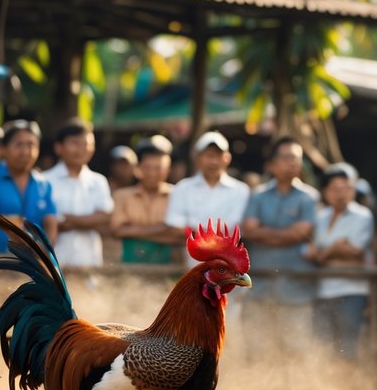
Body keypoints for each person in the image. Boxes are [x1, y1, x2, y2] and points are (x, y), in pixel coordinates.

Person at [240, 137, 318, 362]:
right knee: (258, 351)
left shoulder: (309, 197)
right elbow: (250, 231)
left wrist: (266, 233)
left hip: (297, 290)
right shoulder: (257, 195)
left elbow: (302, 232)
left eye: (297, 158)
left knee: (296, 352)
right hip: (260, 289)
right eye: (286, 158)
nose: (293, 163)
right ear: (272, 165)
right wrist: (287, 235)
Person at [306, 163, 373, 360]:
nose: (341, 193)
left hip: (351, 291)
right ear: (325, 192)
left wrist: (323, 254)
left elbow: (356, 251)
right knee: (322, 345)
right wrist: (335, 248)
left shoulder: (363, 215)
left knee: (348, 346)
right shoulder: (320, 216)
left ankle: (350, 388)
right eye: (335, 188)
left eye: (346, 188)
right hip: (322, 290)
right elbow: (310, 250)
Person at [0, 120, 57, 259]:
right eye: (19, 144)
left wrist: (45, 257)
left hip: (33, 266)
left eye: (31, 145)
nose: (26, 151)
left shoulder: (44, 185)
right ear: (4, 149)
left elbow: (51, 224)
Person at [164, 131, 250, 266]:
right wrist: (212, 236)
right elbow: (175, 225)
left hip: (229, 264)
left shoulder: (241, 190)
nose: (213, 161)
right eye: (209, 155)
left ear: (227, 158)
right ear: (197, 158)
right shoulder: (182, 188)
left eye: (218, 155)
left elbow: (238, 226)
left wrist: (197, 233)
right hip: (190, 263)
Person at [43, 119, 113, 269]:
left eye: (86, 144)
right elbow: (43, 221)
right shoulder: (44, 181)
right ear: (59, 148)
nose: (82, 149)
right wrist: (88, 221)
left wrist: (65, 219)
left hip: (89, 262)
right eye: (75, 143)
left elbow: (105, 218)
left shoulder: (99, 181)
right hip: (54, 263)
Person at [111, 135, 177, 265]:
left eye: (158, 168)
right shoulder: (121, 196)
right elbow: (117, 230)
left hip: (170, 268)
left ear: (168, 170)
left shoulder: (178, 195)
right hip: (128, 267)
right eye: (148, 167)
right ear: (137, 168)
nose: (153, 173)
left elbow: (181, 236)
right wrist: (163, 228)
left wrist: (131, 231)